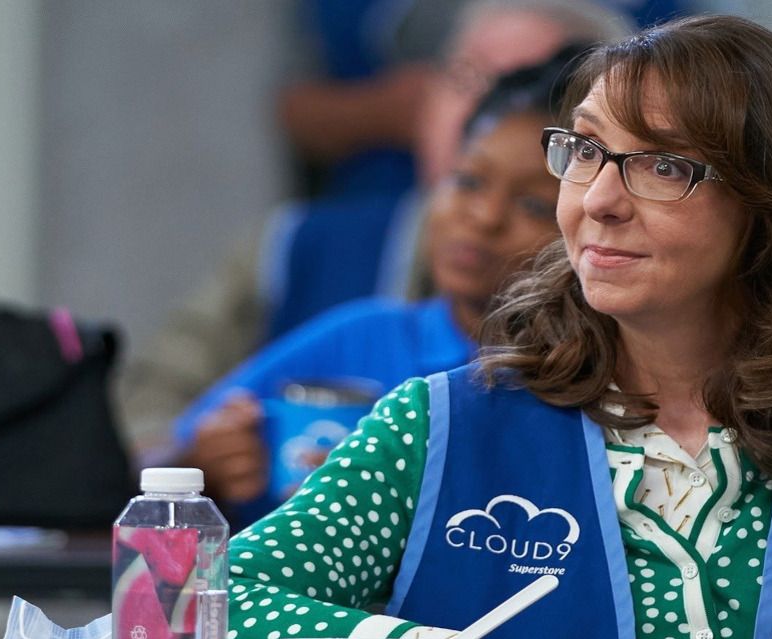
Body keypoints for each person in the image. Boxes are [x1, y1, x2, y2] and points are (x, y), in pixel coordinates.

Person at [222, 15, 772, 639]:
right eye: (586, 150)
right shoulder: (443, 428)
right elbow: (205, 607)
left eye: (662, 165)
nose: (597, 198)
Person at [114, 0, 633, 454]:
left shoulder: (630, 353)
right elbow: (157, 423)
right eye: (467, 76)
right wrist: (203, 462)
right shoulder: (297, 252)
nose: (488, 109)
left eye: (537, 80)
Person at [165, 50, 579, 528]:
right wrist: (206, 463)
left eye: (531, 204)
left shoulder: (587, 377)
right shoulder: (364, 335)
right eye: (467, 181)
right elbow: (154, 469)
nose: (483, 218)